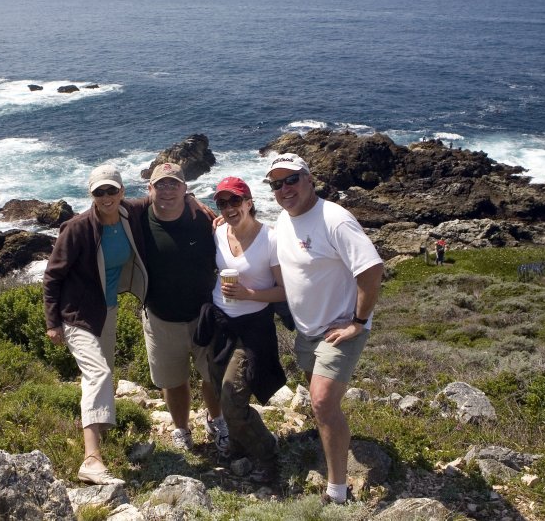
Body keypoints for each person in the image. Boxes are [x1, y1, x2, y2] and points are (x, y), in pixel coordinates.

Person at [265, 153, 384, 505]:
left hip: (339, 329)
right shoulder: (283, 221)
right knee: (321, 403)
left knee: (320, 401)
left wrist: (358, 322)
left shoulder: (334, 218)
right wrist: (220, 222)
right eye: (276, 184)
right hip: (307, 330)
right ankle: (331, 442)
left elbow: (372, 270)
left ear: (309, 179)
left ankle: (337, 491)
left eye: (291, 180)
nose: (285, 189)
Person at [43, 164, 148, 486]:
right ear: (91, 195)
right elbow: (52, 275)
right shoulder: (77, 229)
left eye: (111, 190)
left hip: (108, 310)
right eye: (99, 192)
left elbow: (158, 199)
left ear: (121, 192)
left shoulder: (129, 214)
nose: (106, 197)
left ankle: (98, 440)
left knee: (104, 374)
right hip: (77, 315)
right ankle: (91, 460)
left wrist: (197, 204)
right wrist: (52, 323)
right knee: (98, 374)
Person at [126, 163, 229, 453]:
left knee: (212, 375)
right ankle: (182, 429)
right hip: (161, 318)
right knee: (173, 381)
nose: (167, 190)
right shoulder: (138, 220)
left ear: (185, 189)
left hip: (204, 316)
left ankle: (216, 419)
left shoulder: (205, 219)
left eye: (174, 184)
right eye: (161, 185)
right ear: (150, 189)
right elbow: (105, 209)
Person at [195, 176, 287, 481]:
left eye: (235, 201)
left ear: (249, 202)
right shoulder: (219, 231)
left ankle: (268, 456)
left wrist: (249, 295)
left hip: (251, 329)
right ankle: (237, 444)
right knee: (222, 394)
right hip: (220, 324)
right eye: (222, 203)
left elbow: (283, 290)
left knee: (232, 398)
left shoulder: (270, 239)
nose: (229, 207)